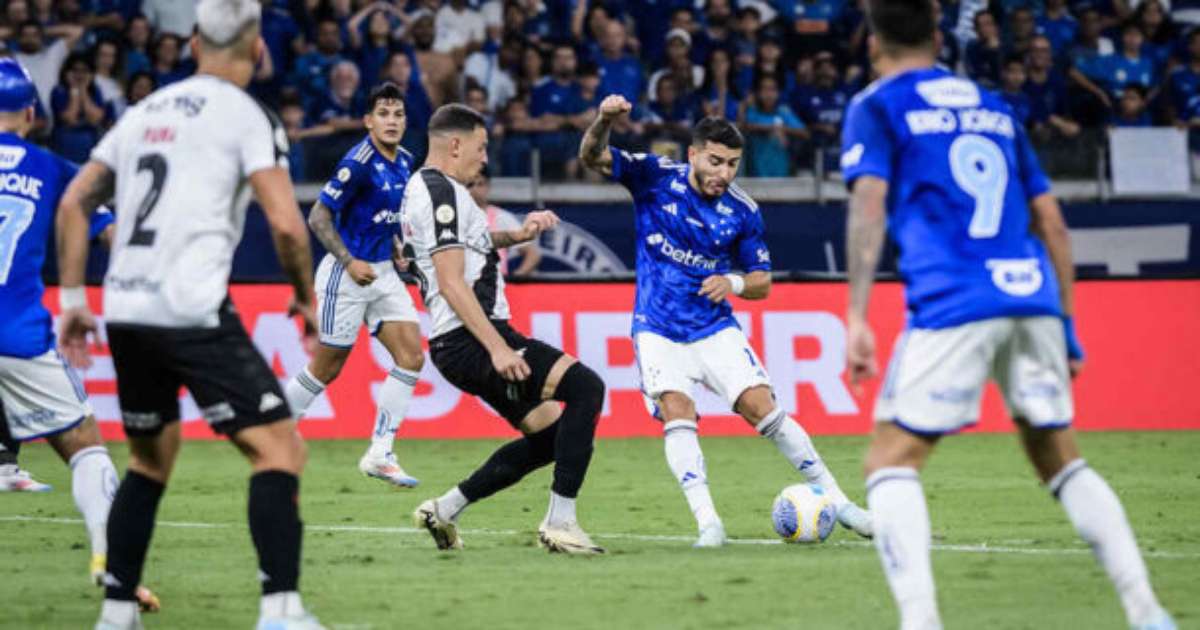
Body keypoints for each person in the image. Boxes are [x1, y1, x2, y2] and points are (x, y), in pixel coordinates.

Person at [839, 1, 1177, 629]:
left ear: (872, 40)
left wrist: (857, 316)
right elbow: (1052, 222)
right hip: (1032, 293)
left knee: (890, 461)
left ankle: (920, 623)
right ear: (938, 37)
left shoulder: (877, 105)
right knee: (1061, 458)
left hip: (955, 298)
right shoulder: (993, 107)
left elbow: (869, 205)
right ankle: (1147, 611)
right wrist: (1068, 325)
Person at [54, 1, 322, 628]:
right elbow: (285, 222)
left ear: (195, 42)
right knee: (280, 451)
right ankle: (281, 612)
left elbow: (75, 201)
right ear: (257, 50)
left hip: (124, 307)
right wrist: (304, 294)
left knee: (149, 460)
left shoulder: (144, 112)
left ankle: (118, 614)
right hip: (191, 307)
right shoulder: (245, 115)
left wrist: (72, 300)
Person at [578, 96, 872, 548]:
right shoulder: (655, 176)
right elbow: (592, 156)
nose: (723, 173)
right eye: (715, 161)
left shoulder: (743, 211)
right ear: (692, 154)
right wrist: (603, 120)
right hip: (656, 329)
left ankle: (842, 503)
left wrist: (732, 283)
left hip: (714, 329)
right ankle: (708, 524)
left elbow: (762, 282)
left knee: (764, 408)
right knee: (678, 413)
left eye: (733, 164)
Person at [404, 104, 607, 555]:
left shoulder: (438, 190)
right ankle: (561, 522)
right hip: (472, 337)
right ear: (454, 145)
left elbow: (467, 246)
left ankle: (446, 508)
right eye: (481, 147)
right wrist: (498, 348)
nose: (485, 158)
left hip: (459, 341)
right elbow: (452, 281)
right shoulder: (439, 193)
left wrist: (518, 236)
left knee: (552, 438)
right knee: (587, 388)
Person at [0, 56, 155, 607]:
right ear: (32, 111)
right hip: (17, 335)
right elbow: (108, 229)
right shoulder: (50, 167)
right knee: (86, 446)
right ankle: (111, 564)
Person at [283, 82, 424, 488]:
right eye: (383, 113)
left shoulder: (406, 160)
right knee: (327, 367)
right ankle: (277, 429)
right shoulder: (357, 162)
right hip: (344, 275)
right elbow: (318, 217)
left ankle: (380, 453)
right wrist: (349, 260)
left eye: (398, 114)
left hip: (383, 274)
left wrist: (398, 249)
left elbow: (391, 217)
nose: (392, 121)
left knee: (412, 356)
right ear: (368, 121)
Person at [468, 166, 542, 277]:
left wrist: (516, 279)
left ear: (488, 186)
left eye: (480, 184)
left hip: (495, 287)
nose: (474, 190)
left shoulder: (501, 217)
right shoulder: (458, 216)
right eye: (470, 185)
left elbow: (533, 254)